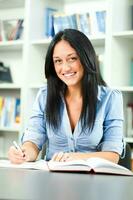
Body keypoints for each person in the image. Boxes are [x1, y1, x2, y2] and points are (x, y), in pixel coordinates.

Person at [8, 29, 124, 164]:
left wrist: (75, 157)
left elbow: (113, 156)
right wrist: (23, 153)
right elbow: (33, 141)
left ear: (86, 58)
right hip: (53, 179)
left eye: (72, 58)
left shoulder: (110, 98)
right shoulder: (44, 96)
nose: (65, 68)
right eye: (58, 61)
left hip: (93, 178)